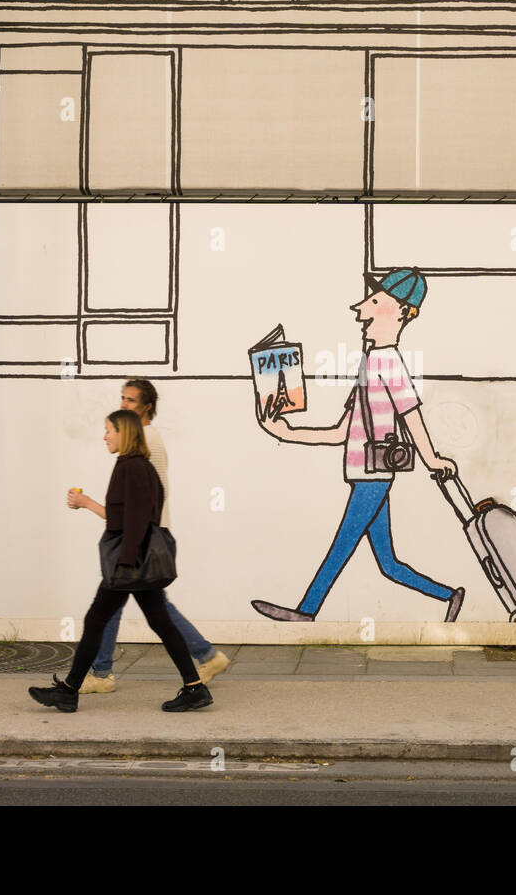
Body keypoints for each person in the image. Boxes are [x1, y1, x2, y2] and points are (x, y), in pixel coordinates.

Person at [251, 268, 465, 622]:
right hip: (365, 473)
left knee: (341, 546)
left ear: (401, 312)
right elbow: (341, 432)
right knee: (389, 564)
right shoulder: (371, 363)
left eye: (375, 300)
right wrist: (284, 431)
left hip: (373, 475)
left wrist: (433, 460)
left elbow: (411, 415)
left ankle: (306, 612)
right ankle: (449, 595)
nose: (360, 308)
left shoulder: (389, 362)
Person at [30, 409, 212, 712]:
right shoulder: (137, 466)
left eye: (109, 430)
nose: (104, 436)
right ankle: (194, 687)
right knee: (160, 622)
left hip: (130, 562)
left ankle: (69, 690)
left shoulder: (133, 467)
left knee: (97, 620)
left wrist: (126, 560)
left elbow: (137, 518)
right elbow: (130, 514)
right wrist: (89, 505)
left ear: (124, 432)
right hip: (135, 560)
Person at [66, 380, 229, 692]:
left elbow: (144, 500)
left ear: (147, 407)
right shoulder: (135, 448)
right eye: (122, 399)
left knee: (125, 609)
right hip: (138, 537)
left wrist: (128, 544)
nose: (125, 405)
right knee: (147, 611)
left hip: (139, 538)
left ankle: (96, 676)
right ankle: (196, 674)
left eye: (131, 401)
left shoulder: (145, 441)